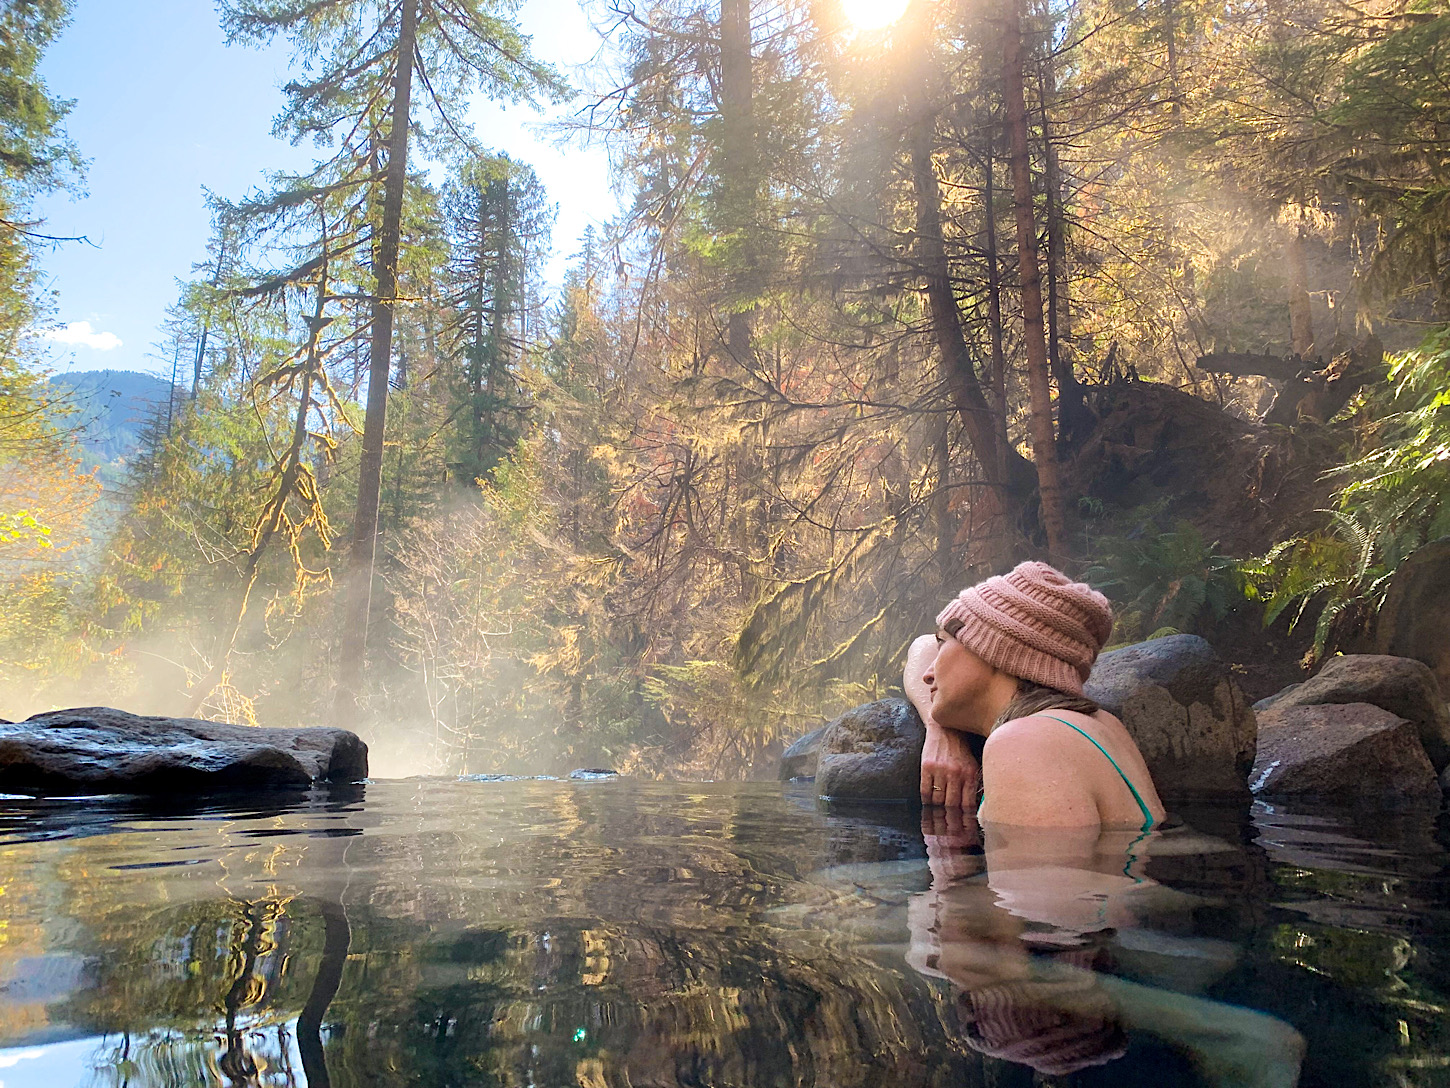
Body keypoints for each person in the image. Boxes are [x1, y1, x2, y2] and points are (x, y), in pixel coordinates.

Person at [905, 561, 1166, 830]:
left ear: (994, 648)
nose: (927, 674)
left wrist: (946, 872)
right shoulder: (1102, 725)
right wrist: (939, 731)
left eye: (943, 642)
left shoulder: (1024, 741)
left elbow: (1044, 871)